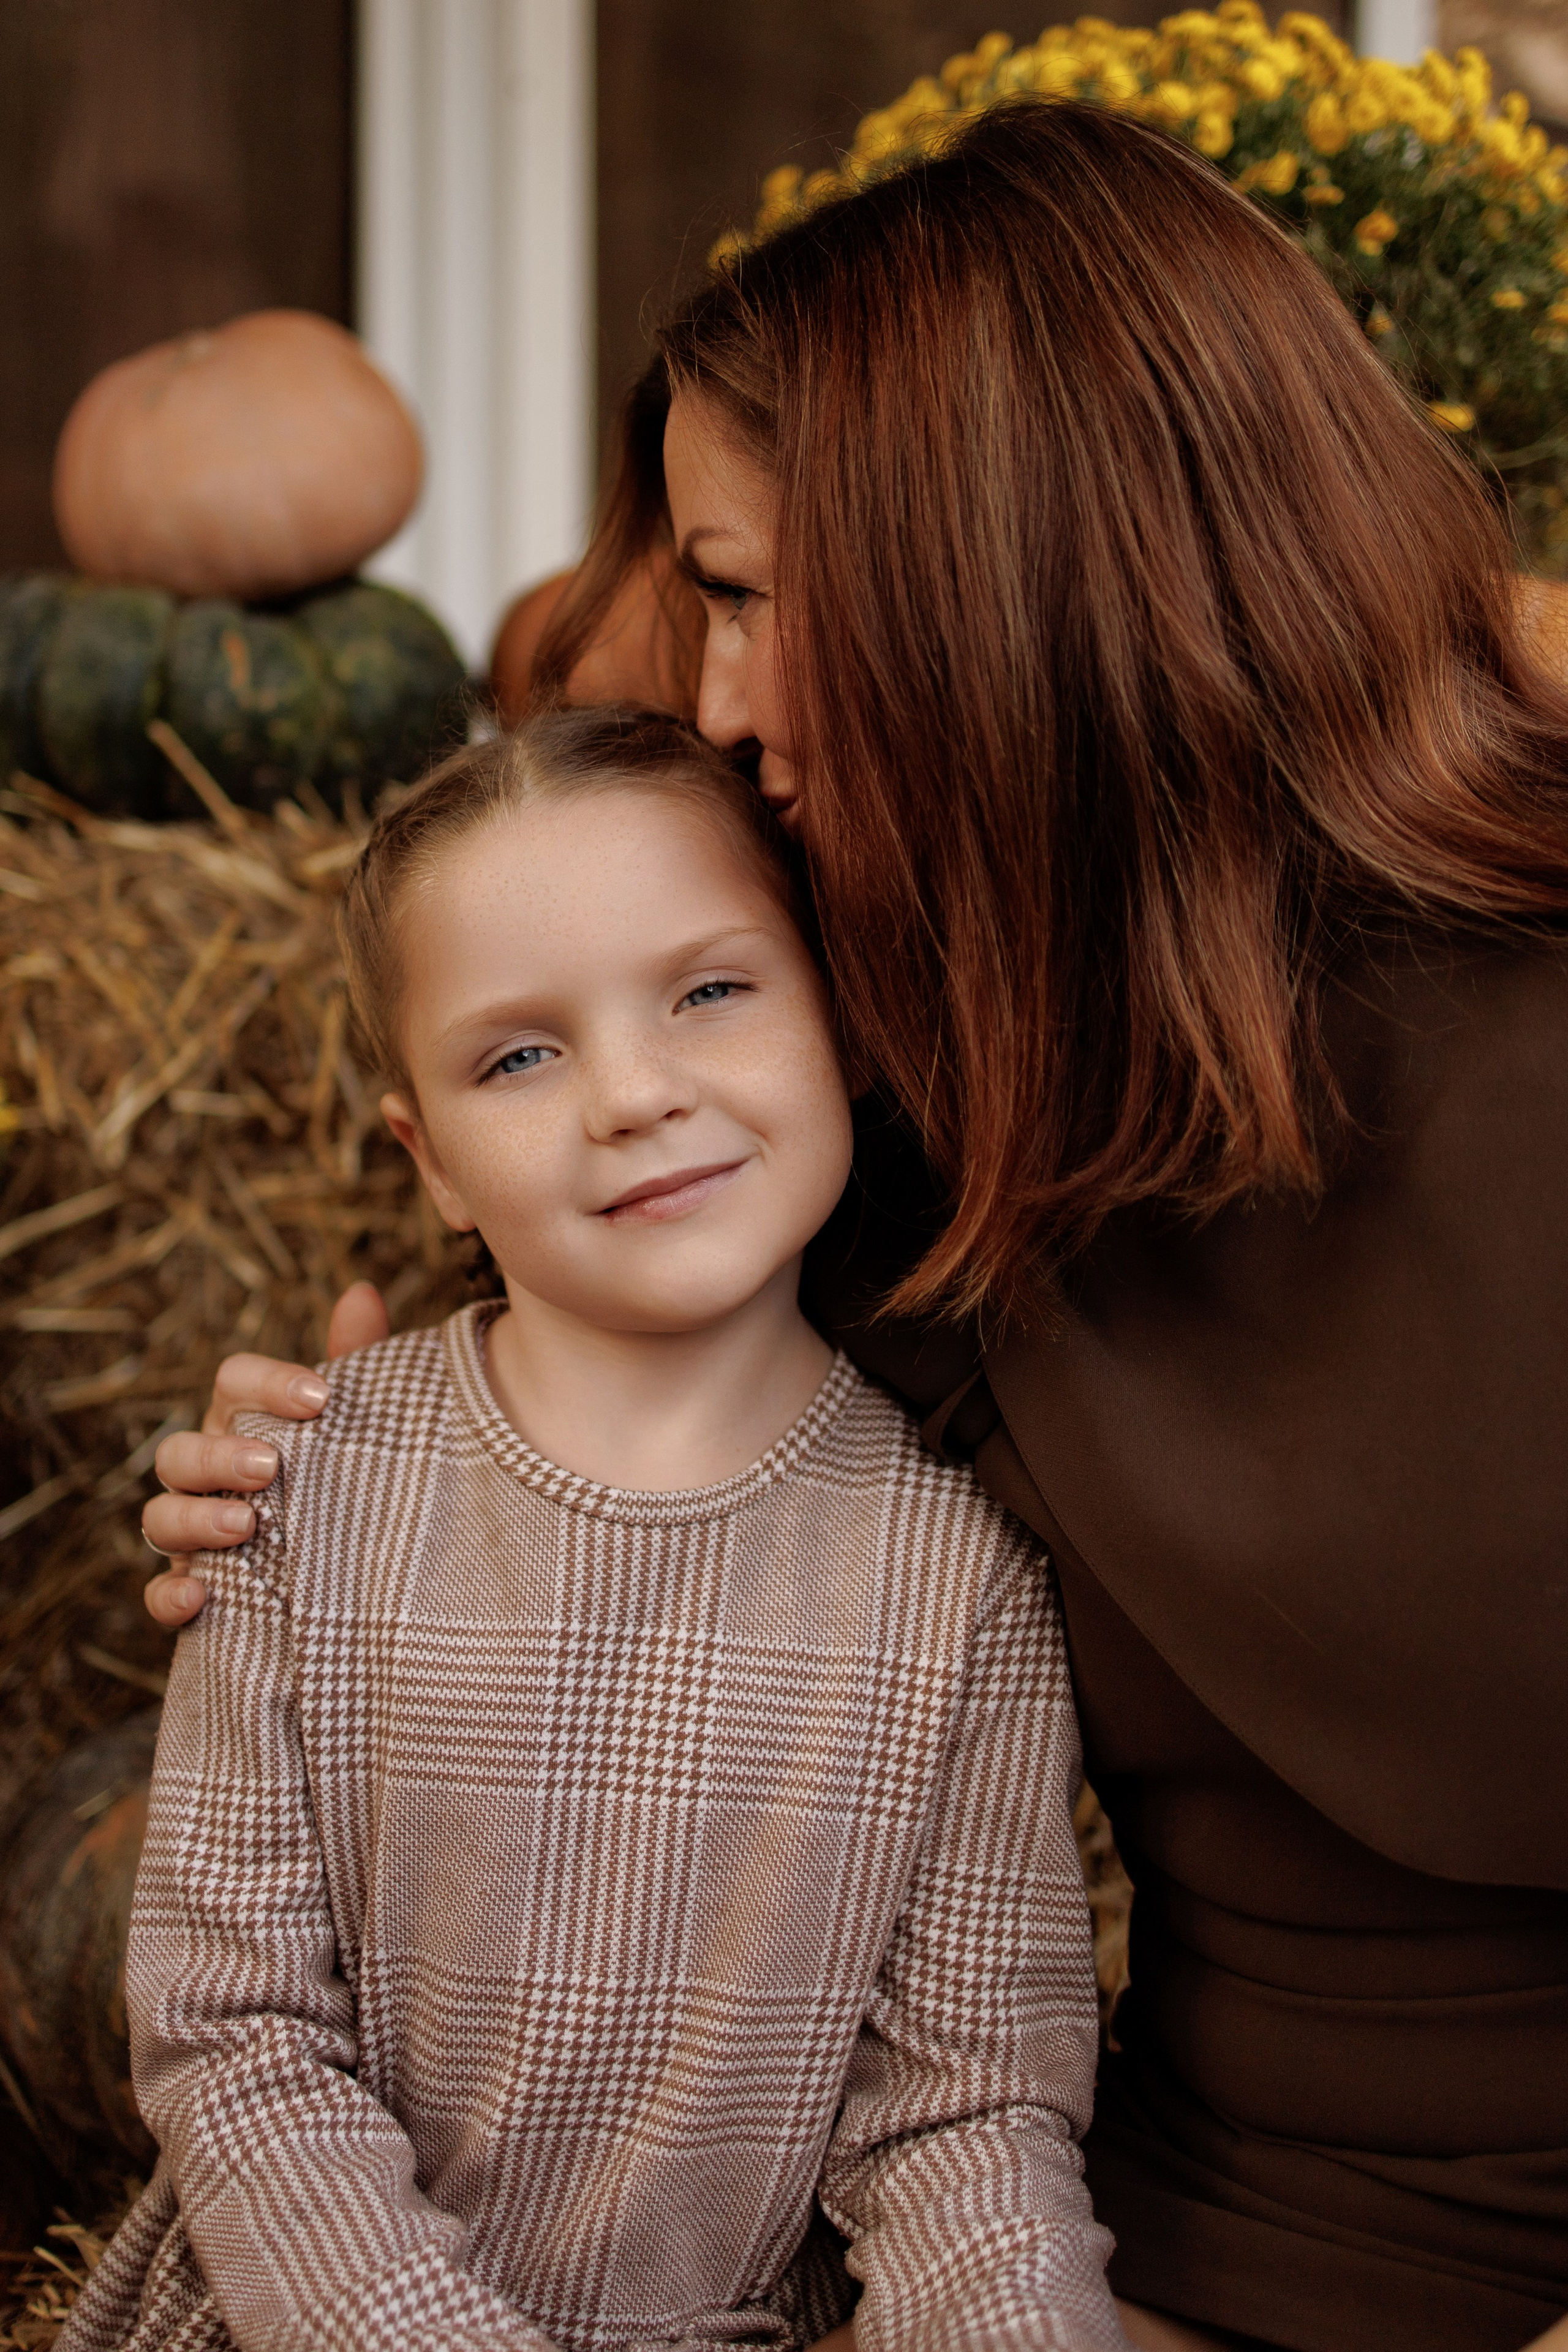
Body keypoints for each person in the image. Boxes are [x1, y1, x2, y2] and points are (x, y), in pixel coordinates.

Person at [142, 100, 1568, 2352]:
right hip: (1165, 2243)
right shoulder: (871, 1058)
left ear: (1010, 577)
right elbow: (593, 1507)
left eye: (748, 596)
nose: (714, 700)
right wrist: (337, 1481)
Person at [69, 708, 1127, 2352]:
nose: (633, 1093)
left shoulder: (956, 1583)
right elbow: (235, 2033)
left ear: (844, 1022)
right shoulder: (303, 1493)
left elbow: (961, 2118)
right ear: (430, 1160)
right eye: (519, 1053)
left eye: (710, 990)